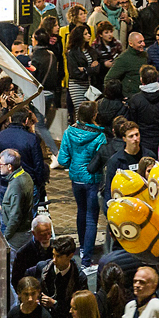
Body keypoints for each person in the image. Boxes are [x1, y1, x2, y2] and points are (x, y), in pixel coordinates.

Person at [56, 101, 108, 266]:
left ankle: (83, 250)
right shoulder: (100, 136)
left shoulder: (69, 132)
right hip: (92, 179)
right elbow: (101, 160)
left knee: (81, 211)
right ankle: (87, 258)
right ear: (94, 115)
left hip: (76, 179)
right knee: (92, 217)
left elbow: (62, 159)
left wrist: (74, 163)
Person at [0, 148, 36, 250]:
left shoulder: (17, 185)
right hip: (23, 231)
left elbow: (16, 216)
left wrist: (5, 237)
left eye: (1, 164)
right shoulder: (24, 175)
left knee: (13, 263)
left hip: (17, 235)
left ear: (9, 166)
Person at [11, 215, 54, 297]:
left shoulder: (55, 247)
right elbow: (17, 281)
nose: (47, 237)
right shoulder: (23, 253)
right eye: (43, 234)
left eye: (49, 233)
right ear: (34, 233)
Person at [104, 30, 147, 97]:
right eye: (140, 42)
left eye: (143, 41)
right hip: (130, 98)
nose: (143, 44)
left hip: (143, 96)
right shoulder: (123, 59)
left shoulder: (145, 55)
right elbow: (109, 79)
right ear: (131, 44)